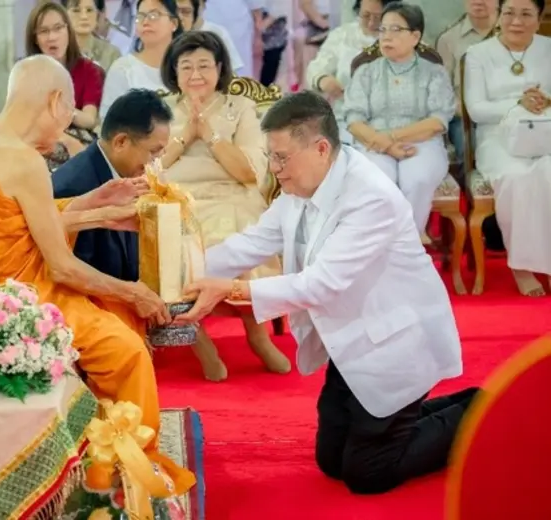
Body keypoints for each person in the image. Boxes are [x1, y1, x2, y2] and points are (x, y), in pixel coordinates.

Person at [0, 55, 196, 494]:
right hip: (2, 305)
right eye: (70, 108)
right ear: (56, 101)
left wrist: (93, 204)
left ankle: (94, 435)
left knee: (115, 308)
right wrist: (134, 291)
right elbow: (59, 265)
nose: (69, 121)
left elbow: (6, 224)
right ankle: (127, 466)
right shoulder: (25, 162)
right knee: (127, 347)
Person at [175, 90, 477, 494]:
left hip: (396, 341)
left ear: (320, 148)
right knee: (331, 461)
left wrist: (231, 289)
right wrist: (180, 278)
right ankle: (426, 415)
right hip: (353, 341)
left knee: (368, 473)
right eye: (271, 157)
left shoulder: (371, 196)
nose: (274, 168)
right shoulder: (303, 184)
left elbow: (321, 282)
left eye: (281, 157)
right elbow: (251, 243)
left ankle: (482, 411)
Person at [159, 30, 288, 380]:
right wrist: (187, 134)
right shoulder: (163, 110)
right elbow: (151, 168)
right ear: (174, 71)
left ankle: (257, 334)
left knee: (238, 229)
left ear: (220, 68)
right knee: (173, 233)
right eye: (186, 67)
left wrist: (212, 136)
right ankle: (198, 338)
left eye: (204, 65)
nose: (195, 75)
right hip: (177, 198)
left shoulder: (241, 108)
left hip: (232, 193)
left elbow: (249, 172)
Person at [463, 0, 551, 296]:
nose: (517, 20)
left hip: (544, 132)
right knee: (516, 177)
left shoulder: (548, 48)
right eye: (509, 12)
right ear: (499, 16)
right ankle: (522, 265)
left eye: (526, 14)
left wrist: (544, 101)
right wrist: (516, 103)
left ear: (539, 20)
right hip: (496, 137)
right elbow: (476, 110)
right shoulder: (477, 54)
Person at [343, 2, 455, 233]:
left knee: (417, 179)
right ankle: (379, 250)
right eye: (383, 30)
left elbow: (438, 121)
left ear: (415, 36)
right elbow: (354, 120)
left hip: (423, 144)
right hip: (372, 145)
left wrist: (391, 137)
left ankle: (406, 248)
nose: (386, 37)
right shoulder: (367, 72)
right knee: (378, 180)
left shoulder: (434, 72)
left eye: (395, 30)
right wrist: (383, 143)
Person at [52, 88, 171, 283]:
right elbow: (75, 278)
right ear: (121, 142)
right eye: (153, 152)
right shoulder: (73, 188)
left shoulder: (129, 174)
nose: (156, 163)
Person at [306, 0, 388, 144]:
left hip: (387, 124)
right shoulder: (343, 35)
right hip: (345, 120)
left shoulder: (401, 39)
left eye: (378, 17)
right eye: (366, 15)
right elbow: (316, 67)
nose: (371, 23)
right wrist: (322, 79)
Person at [26, 0, 102, 155]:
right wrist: (65, 139)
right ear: (35, 38)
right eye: (43, 31)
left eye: (58, 28)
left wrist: (62, 108)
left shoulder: (89, 69)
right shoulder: (26, 72)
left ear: (68, 30)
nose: (52, 37)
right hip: (39, 142)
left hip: (80, 139)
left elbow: (89, 119)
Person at [436, 0, 497, 161]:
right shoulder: (448, 39)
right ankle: (472, 185)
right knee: (469, 146)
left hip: (508, 112)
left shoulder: (513, 31)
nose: (479, 1)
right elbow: (443, 93)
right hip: (466, 118)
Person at [99, 0, 181, 118]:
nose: (146, 22)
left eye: (154, 15)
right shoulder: (123, 68)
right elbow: (108, 119)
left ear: (174, 23)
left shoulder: (187, 67)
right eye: (140, 16)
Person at [65, 0, 122, 71]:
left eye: (89, 10)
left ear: (97, 14)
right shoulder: (58, 50)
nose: (84, 16)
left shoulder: (111, 54)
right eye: (76, 10)